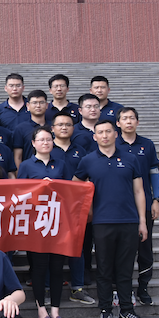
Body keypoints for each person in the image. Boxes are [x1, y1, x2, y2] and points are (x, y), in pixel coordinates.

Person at [73, 120, 149, 318]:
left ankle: (127, 310)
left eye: (108, 131)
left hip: (128, 220)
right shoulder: (87, 161)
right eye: (100, 132)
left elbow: (139, 191)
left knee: (125, 269)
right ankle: (105, 310)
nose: (105, 135)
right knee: (104, 269)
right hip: (101, 222)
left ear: (116, 134)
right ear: (94, 136)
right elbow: (75, 188)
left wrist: (142, 221)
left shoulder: (131, 159)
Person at [17, 126, 70, 318]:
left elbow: (70, 191)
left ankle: (56, 311)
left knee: (57, 268)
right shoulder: (26, 165)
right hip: (36, 224)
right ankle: (42, 311)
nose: (45, 143)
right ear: (33, 143)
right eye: (41, 139)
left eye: (48, 139)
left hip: (58, 223)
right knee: (39, 268)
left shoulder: (61, 164)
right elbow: (20, 194)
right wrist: (40, 187)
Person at [116, 107, 159, 306]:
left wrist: (156, 199)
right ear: (118, 123)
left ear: (137, 122)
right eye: (124, 118)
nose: (128, 121)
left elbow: (154, 172)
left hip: (144, 203)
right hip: (120, 206)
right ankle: (120, 288)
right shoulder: (112, 143)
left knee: (144, 247)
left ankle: (143, 287)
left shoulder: (147, 144)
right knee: (121, 250)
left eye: (132, 118)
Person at [49, 113, 94, 306]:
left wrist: (88, 205)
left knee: (77, 248)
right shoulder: (47, 149)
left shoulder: (81, 151)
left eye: (68, 124)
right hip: (51, 207)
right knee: (52, 249)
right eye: (60, 124)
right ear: (53, 128)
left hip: (75, 206)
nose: (64, 127)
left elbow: (88, 178)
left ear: (73, 128)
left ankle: (78, 288)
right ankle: (50, 287)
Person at [10, 91, 48, 166]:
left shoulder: (53, 127)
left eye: (41, 102)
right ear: (28, 106)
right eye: (34, 103)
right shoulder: (20, 128)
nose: (38, 106)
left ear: (47, 105)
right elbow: (18, 156)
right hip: (28, 171)